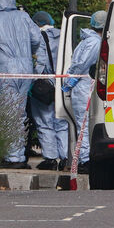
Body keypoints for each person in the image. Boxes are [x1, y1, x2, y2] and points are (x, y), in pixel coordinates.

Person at [0, 0, 43, 169]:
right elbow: (37, 39)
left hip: (5, 69)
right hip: (26, 69)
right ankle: (19, 154)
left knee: (7, 113)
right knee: (20, 113)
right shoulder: (24, 16)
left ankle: (13, 157)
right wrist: (30, 56)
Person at [61, 10, 107, 174]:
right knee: (84, 125)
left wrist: (70, 80)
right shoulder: (94, 42)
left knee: (83, 124)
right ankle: (86, 161)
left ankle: (85, 159)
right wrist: (71, 79)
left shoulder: (88, 40)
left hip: (82, 85)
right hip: (84, 86)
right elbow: (81, 64)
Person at [30, 11, 69, 171]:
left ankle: (50, 158)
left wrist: (34, 78)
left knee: (44, 122)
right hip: (63, 82)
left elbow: (40, 62)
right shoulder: (63, 35)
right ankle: (66, 157)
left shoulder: (37, 37)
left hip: (45, 83)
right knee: (62, 121)